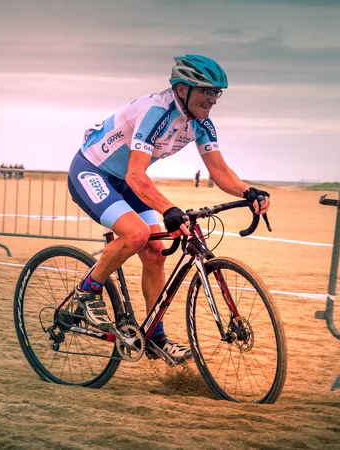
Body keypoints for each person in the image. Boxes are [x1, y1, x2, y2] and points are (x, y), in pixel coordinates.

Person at [67, 54, 271, 362]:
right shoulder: (156, 112)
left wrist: (249, 191)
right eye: (206, 90)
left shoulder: (200, 123)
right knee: (136, 235)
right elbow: (136, 175)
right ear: (182, 88)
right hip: (92, 172)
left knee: (155, 252)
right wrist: (169, 209)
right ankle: (88, 289)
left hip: (126, 180)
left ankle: (154, 336)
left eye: (217, 93)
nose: (213, 99)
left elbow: (218, 171)